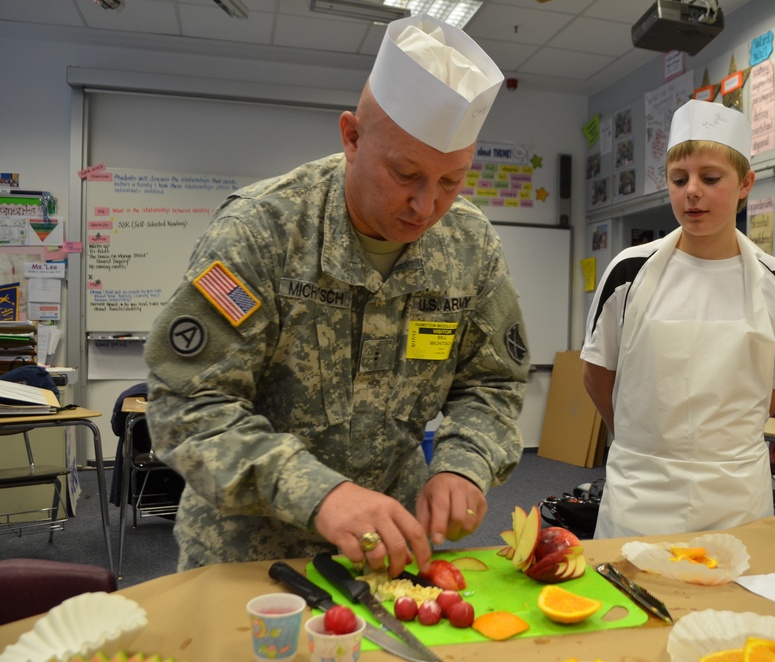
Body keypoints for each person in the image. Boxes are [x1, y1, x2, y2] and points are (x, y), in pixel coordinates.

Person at [142, 15, 529, 577]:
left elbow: (491, 382)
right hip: (250, 555)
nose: (426, 206)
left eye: (450, 182)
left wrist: (463, 465)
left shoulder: (469, 245)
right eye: (405, 173)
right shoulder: (262, 231)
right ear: (351, 137)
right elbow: (188, 405)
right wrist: (318, 493)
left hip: (390, 550)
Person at [581, 99, 775, 538]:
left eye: (710, 178)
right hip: (639, 492)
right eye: (678, 178)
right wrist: (643, 440)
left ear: (746, 182)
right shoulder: (628, 273)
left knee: (732, 604)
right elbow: (596, 372)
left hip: (736, 498)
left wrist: (717, 445)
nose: (692, 191)